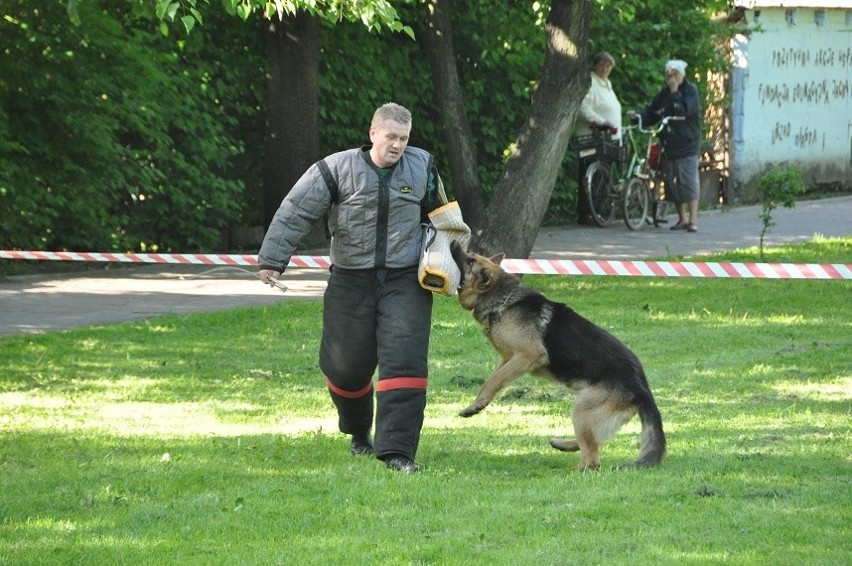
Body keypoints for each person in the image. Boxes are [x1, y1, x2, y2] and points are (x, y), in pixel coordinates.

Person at [257, 102, 447, 473]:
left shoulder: (422, 166)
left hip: (405, 280)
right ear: (373, 133)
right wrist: (271, 260)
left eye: (404, 139)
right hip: (350, 279)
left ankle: (398, 451)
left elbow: (444, 217)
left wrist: (456, 265)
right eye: (391, 137)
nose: (397, 146)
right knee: (344, 368)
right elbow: (295, 210)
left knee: (404, 362)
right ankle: (359, 432)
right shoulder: (334, 168)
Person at [628, 59, 701, 232]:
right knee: (672, 183)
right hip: (669, 144)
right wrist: (638, 116)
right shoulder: (663, 94)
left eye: (675, 74)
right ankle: (681, 219)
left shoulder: (690, 91)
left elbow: (681, 110)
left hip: (686, 143)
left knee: (689, 181)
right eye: (669, 75)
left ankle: (693, 220)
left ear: (681, 75)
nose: (671, 78)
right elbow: (652, 112)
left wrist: (675, 92)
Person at [574, 51, 622, 225]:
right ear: (595, 65)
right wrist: (603, 123)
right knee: (589, 175)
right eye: (602, 65)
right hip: (591, 138)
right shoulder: (591, 82)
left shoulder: (606, 84)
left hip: (607, 139)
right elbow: (583, 109)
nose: (605, 68)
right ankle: (586, 213)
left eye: (608, 66)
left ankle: (597, 211)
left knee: (602, 178)